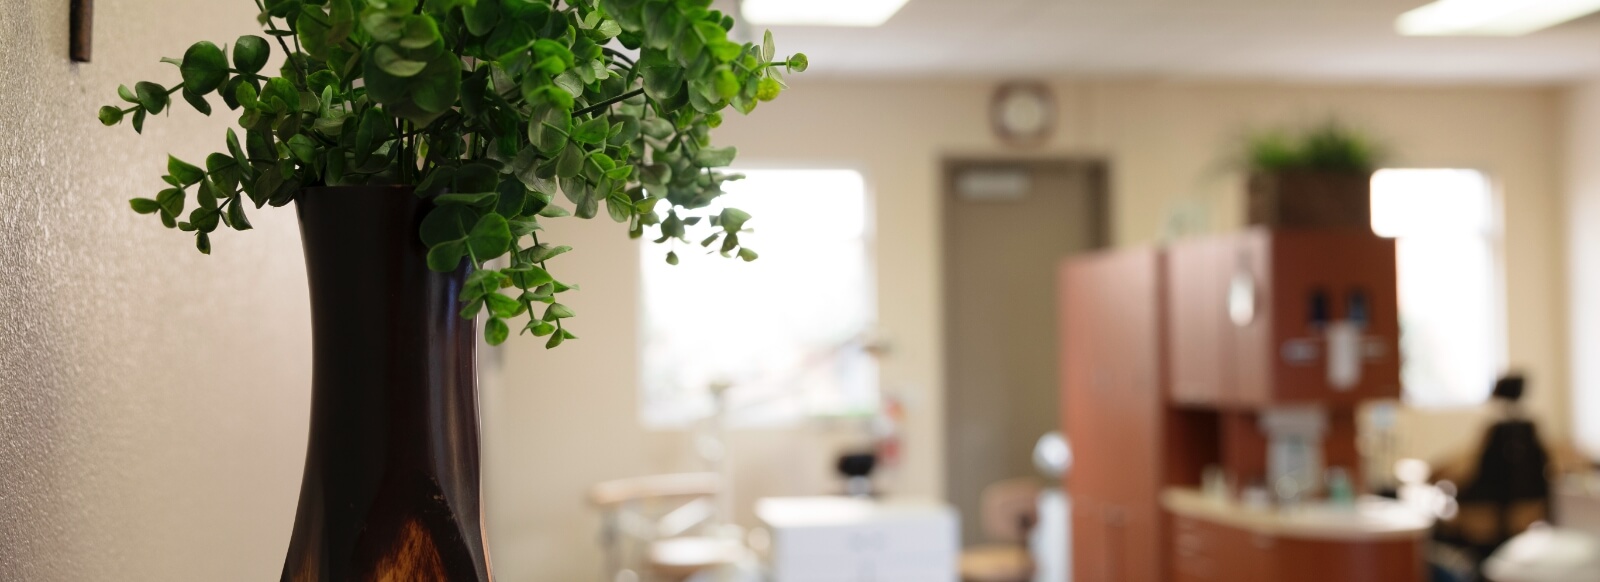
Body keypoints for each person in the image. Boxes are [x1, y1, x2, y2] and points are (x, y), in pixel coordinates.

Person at [1432, 374, 1553, 572]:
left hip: (1485, 517)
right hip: (1523, 515)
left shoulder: (1493, 430)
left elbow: (1467, 472)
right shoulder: (1530, 430)